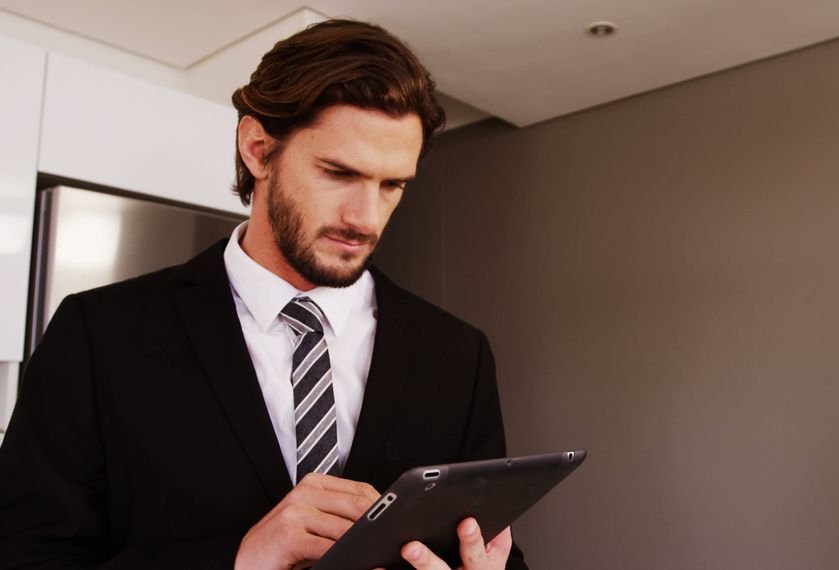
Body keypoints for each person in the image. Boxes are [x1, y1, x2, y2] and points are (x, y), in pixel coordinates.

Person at [0, 19, 525, 570]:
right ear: (257, 149)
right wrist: (240, 559)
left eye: (392, 185)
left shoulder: (457, 356)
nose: (366, 219)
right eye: (338, 172)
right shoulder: (98, 334)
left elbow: (496, 551)